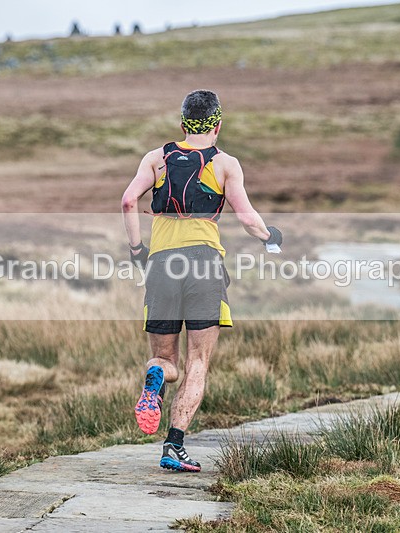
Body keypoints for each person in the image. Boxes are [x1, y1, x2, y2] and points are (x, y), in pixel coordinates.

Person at [121, 90, 282, 472]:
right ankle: (173, 447)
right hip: (205, 264)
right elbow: (246, 217)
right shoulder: (226, 164)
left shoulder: (155, 158)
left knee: (165, 359)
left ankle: (156, 376)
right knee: (198, 362)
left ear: (182, 125)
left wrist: (137, 252)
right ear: (218, 125)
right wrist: (270, 236)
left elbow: (128, 201)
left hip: (160, 264)